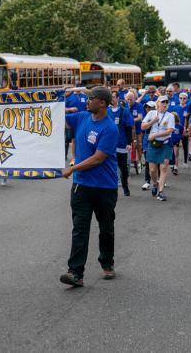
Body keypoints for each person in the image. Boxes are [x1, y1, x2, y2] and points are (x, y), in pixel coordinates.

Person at [60, 87, 119, 287]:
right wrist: (62, 97)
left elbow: (98, 159)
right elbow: (56, 114)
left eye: (90, 98)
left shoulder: (110, 128)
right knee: (80, 229)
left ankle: (107, 262)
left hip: (104, 187)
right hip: (82, 186)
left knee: (106, 228)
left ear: (102, 102)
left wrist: (72, 168)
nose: (87, 101)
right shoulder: (83, 117)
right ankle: (75, 272)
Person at [141, 95, 175, 201]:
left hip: (165, 143)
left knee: (164, 168)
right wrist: (153, 121)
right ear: (158, 103)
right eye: (162, 102)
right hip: (153, 144)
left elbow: (170, 130)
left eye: (166, 102)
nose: (164, 104)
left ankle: (160, 192)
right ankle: (155, 184)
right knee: (152, 170)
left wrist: (155, 135)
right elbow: (143, 126)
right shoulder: (151, 113)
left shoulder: (170, 116)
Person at [108, 91, 133, 196]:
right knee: (110, 167)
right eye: (110, 97)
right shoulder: (106, 111)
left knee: (123, 168)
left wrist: (129, 142)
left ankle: (125, 185)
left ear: (117, 98)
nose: (111, 99)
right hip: (109, 145)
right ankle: (111, 188)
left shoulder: (124, 111)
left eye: (113, 97)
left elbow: (129, 128)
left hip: (121, 143)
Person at [125, 91, 145, 171]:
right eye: (128, 99)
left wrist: (131, 120)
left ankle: (139, 161)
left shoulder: (138, 105)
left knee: (138, 146)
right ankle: (129, 160)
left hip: (137, 129)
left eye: (131, 99)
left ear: (134, 99)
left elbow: (140, 117)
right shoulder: (125, 106)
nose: (129, 101)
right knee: (128, 145)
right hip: (128, 130)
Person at [141, 101, 156, 190]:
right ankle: (147, 181)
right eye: (146, 107)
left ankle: (159, 179)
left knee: (157, 161)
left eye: (149, 107)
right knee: (147, 161)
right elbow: (143, 128)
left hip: (156, 139)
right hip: (146, 139)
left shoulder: (159, 116)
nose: (147, 109)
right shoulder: (146, 117)